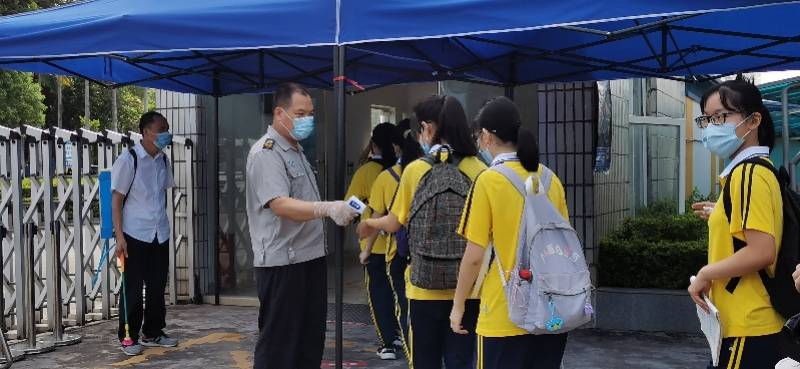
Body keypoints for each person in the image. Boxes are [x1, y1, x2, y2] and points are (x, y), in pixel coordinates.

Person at [359, 95, 485, 369]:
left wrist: (371, 223)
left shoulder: (416, 170)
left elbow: (394, 223)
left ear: (428, 128)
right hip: (468, 290)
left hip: (421, 286)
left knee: (424, 362)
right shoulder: (479, 170)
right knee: (460, 361)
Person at [449, 96, 571, 369]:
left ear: (487, 136)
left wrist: (458, 307)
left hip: (505, 312)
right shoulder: (550, 178)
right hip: (551, 310)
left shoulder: (489, 180)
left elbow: (474, 256)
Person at [245, 83, 357, 369]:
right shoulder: (266, 153)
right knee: (280, 346)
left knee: (309, 342)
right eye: (300, 113)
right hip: (284, 263)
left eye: (311, 113)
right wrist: (328, 208)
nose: (308, 119)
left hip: (309, 258)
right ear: (280, 113)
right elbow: (279, 204)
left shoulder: (296, 150)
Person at [688, 77, 786, 368]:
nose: (712, 126)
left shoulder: (747, 174)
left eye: (721, 116)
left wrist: (705, 274)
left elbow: (761, 251)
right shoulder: (755, 171)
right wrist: (719, 213)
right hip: (746, 325)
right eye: (707, 118)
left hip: (747, 324)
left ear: (753, 120)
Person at [111, 111, 179, 356]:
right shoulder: (129, 159)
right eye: (162, 129)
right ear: (146, 131)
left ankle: (153, 332)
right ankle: (127, 337)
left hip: (159, 233)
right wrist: (119, 237)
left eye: (167, 128)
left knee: (157, 287)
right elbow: (116, 200)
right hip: (134, 234)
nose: (166, 134)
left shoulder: (163, 160)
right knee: (132, 288)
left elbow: (161, 195)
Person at [358, 118, 423, 358]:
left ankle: (394, 344)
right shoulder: (428, 172)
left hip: (394, 251)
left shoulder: (382, 176)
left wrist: (365, 247)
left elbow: (377, 216)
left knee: (393, 301)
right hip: (424, 252)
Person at [346, 122, 401, 360]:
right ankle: (400, 334)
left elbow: (350, 203)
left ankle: (387, 342)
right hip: (399, 244)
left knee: (378, 294)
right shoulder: (403, 169)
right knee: (398, 293)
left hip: (374, 244)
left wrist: (365, 209)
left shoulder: (367, 172)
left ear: (374, 143)